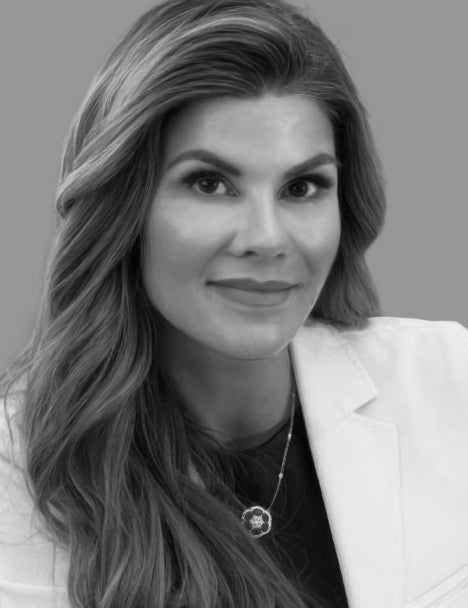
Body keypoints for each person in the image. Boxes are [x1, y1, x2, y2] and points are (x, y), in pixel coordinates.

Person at [1, 0, 467, 606]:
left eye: (302, 186)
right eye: (210, 183)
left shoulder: (449, 379)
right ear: (123, 207)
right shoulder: (20, 473)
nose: (267, 239)